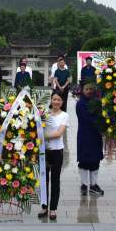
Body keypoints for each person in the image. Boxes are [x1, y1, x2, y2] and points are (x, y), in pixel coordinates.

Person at [39, 91, 68, 220]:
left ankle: (53, 209)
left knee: (55, 180)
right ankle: (44, 207)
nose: (56, 102)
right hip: (44, 151)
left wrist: (41, 137)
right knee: (44, 180)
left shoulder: (64, 115)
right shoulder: (44, 113)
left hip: (57, 151)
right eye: (54, 99)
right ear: (50, 100)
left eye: (59, 100)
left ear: (62, 102)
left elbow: (58, 134)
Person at [75, 82, 104, 196]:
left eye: (91, 89)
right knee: (84, 161)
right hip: (84, 135)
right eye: (86, 89)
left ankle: (93, 184)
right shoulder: (80, 104)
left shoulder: (97, 102)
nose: (89, 91)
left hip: (96, 135)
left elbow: (101, 115)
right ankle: (84, 184)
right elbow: (85, 119)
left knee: (95, 160)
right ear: (82, 90)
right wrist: (99, 122)